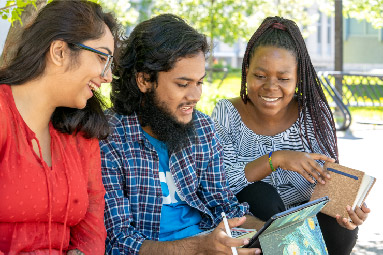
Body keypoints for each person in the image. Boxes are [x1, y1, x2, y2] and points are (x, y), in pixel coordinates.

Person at [100, 14, 263, 255]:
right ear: (144, 80)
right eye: (183, 84)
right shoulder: (109, 137)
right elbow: (119, 240)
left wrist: (269, 230)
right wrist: (200, 248)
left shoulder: (203, 128)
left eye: (199, 82)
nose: (195, 95)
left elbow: (225, 207)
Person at [211, 16, 370, 255]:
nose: (270, 87)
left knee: (342, 230)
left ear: (298, 78)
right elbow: (223, 184)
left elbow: (328, 183)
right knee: (261, 194)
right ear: (246, 71)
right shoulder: (226, 113)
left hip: (307, 218)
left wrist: (347, 210)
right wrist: (278, 159)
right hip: (252, 223)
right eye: (260, 76)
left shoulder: (313, 115)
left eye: (283, 79)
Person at [0, 0, 120, 254]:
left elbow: (93, 226)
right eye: (101, 57)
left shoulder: (81, 129)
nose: (107, 76)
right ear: (59, 52)